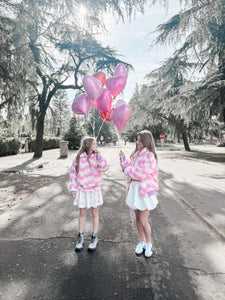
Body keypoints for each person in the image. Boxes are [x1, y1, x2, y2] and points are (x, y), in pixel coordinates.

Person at [119, 130, 158, 258]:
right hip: (134, 189)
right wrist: (123, 159)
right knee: (137, 219)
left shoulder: (149, 156)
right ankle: (141, 242)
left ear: (146, 141)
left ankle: (148, 244)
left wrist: (127, 169)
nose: (137, 142)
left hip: (144, 191)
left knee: (143, 220)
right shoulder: (136, 154)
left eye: (140, 140)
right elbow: (129, 169)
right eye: (137, 140)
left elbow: (140, 173)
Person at [70, 136, 109, 251]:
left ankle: (94, 236)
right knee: (82, 213)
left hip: (94, 189)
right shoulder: (78, 158)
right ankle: (80, 237)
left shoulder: (97, 157)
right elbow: (73, 174)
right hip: (82, 190)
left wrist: (99, 156)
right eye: (94, 144)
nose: (96, 146)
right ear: (87, 145)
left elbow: (105, 168)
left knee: (94, 213)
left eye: (96, 144)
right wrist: (73, 188)